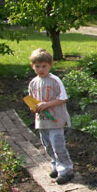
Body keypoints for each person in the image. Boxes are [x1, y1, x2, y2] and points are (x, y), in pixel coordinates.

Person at [28, 48, 74, 184]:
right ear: (33, 66)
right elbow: (32, 101)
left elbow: (63, 98)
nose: (41, 69)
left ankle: (66, 169)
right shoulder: (33, 83)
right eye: (37, 66)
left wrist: (46, 105)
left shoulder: (55, 80)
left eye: (44, 66)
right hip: (42, 121)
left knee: (57, 144)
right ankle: (56, 165)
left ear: (50, 65)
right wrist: (33, 108)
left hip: (56, 120)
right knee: (47, 145)